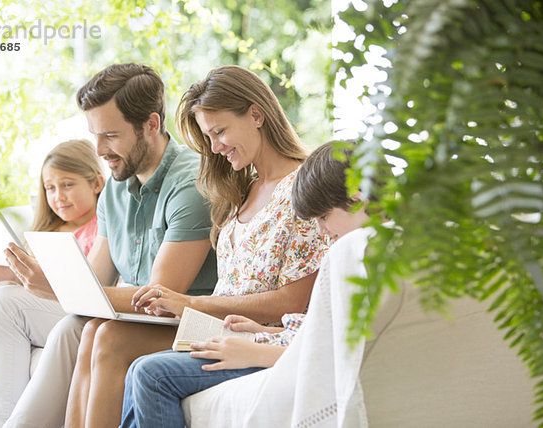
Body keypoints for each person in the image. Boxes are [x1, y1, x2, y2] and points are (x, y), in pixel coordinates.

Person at [65, 65, 327, 427]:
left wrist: (191, 304)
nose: (215, 148)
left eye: (220, 132)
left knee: (144, 369)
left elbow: (294, 301)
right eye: (208, 137)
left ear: (256, 114)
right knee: (96, 331)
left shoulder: (302, 188)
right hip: (216, 327)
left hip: (253, 333)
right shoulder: (242, 190)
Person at [0, 63, 217, 428]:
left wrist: (59, 288)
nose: (98, 149)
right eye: (94, 135)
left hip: (194, 319)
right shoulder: (115, 186)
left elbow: (160, 297)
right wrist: (55, 281)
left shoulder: (190, 185)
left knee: (106, 335)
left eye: (110, 135)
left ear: (152, 125)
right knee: (82, 328)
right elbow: (97, 277)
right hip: (144, 318)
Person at [120, 141, 371, 427]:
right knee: (138, 369)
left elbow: (338, 353)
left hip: (271, 350)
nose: (322, 232)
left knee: (150, 374)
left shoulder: (361, 259)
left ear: (357, 199)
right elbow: (322, 330)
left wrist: (257, 351)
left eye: (324, 217)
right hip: (275, 338)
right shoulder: (352, 254)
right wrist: (263, 331)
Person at [0, 139, 104, 428]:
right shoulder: (45, 231)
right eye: (50, 188)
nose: (58, 196)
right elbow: (28, 287)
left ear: (96, 183)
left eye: (68, 185)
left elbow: (77, 285)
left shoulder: (99, 228)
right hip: (29, 306)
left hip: (64, 308)